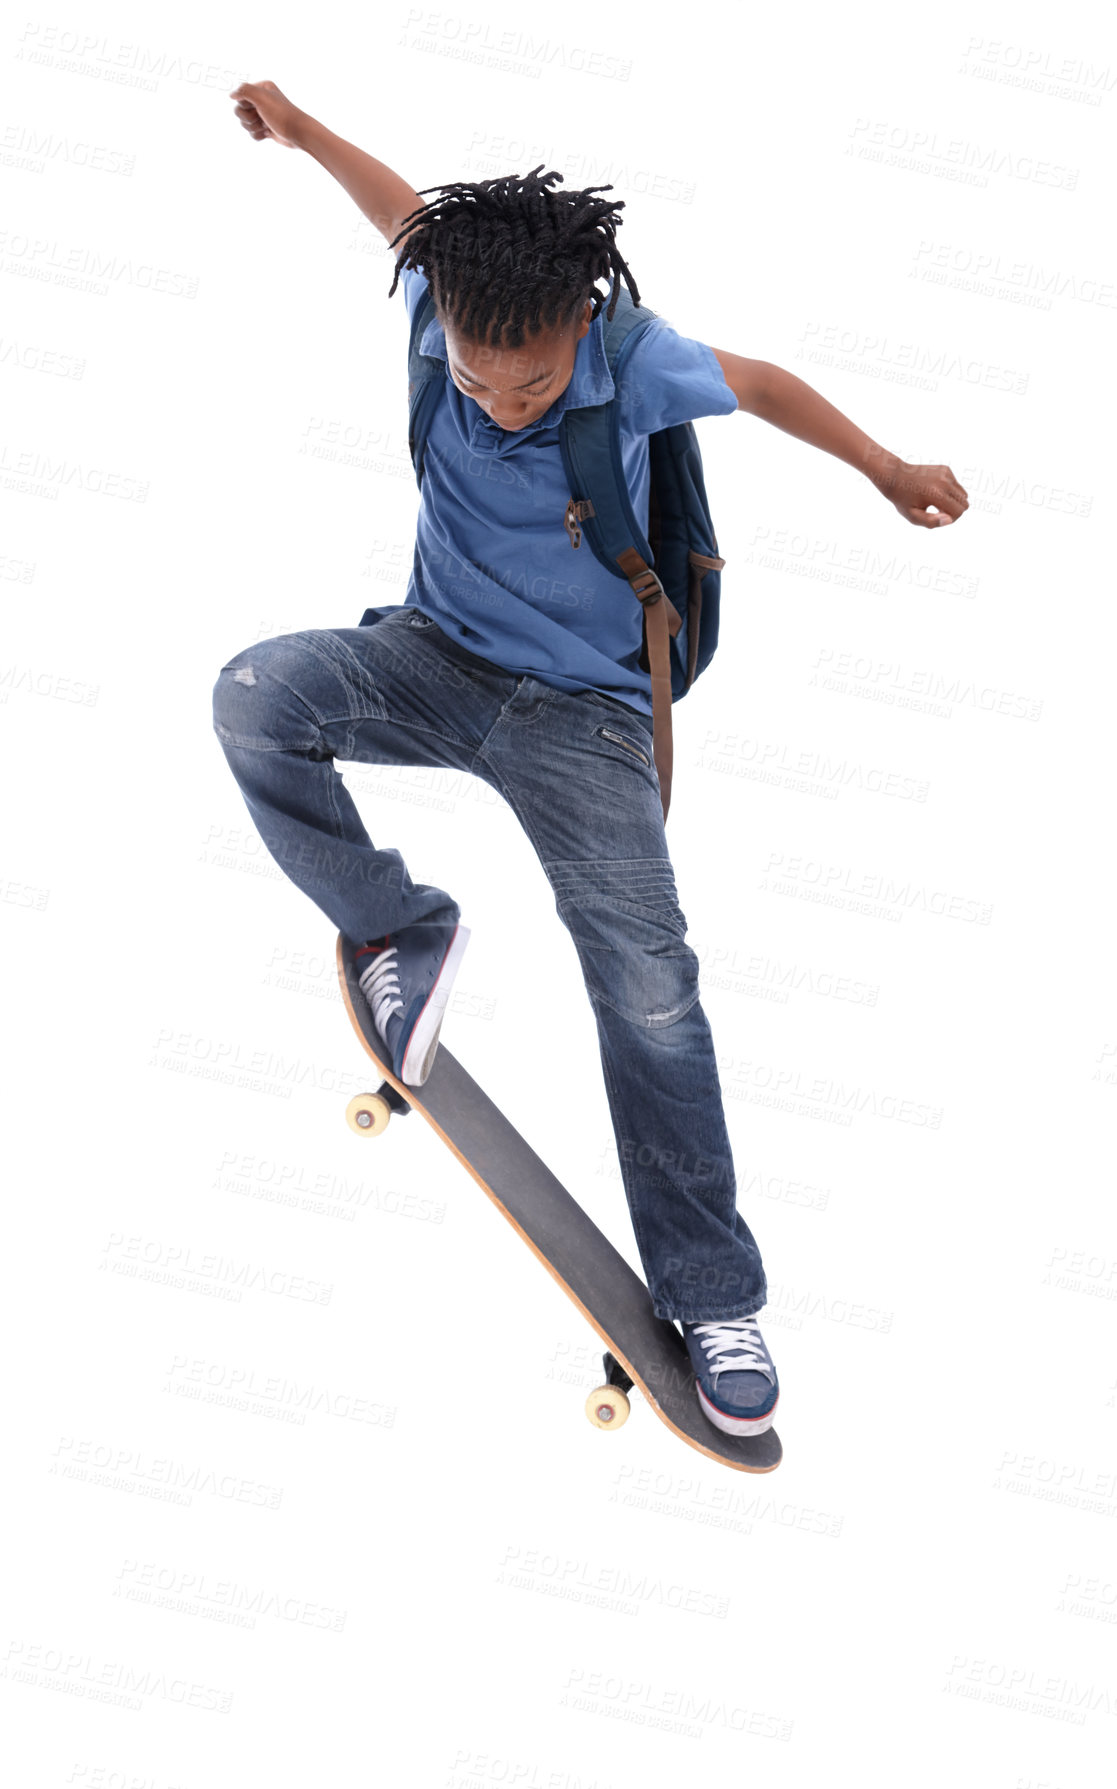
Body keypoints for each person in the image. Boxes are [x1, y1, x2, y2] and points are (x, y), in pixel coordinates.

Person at [213, 80, 969, 1440]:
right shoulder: (436, 300)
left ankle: (714, 1293)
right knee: (257, 695)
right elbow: (396, 212)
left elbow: (762, 382)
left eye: (536, 379)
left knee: (649, 982)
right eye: (477, 372)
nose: (501, 399)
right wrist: (304, 130)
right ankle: (399, 924)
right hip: (431, 660)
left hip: (587, 718)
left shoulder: (633, 354)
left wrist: (882, 462)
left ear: (581, 332)